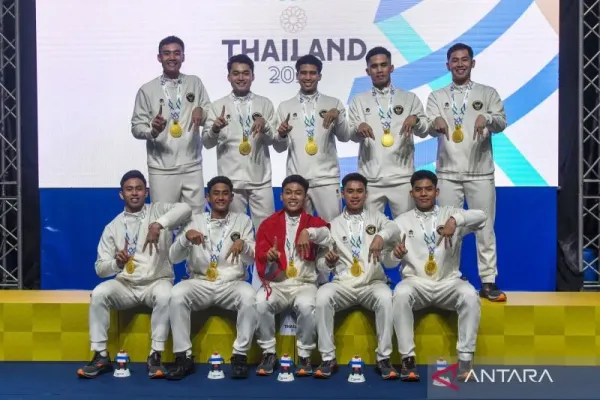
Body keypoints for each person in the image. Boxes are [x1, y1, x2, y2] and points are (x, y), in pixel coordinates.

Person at [77, 170, 192, 379]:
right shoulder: (112, 227)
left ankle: (155, 355)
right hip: (126, 285)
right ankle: (101, 355)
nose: (135, 193)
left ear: (146, 192)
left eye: (139, 189)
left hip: (157, 281)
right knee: (99, 293)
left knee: (166, 295)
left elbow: (185, 208)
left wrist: (158, 224)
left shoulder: (158, 210)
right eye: (129, 189)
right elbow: (100, 268)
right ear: (121, 194)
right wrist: (117, 264)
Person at [425, 42, 507, 302]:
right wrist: (435, 122)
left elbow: (501, 122)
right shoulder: (437, 96)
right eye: (455, 60)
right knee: (448, 228)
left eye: (464, 60)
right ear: (447, 65)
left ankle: (488, 281)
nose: (459, 64)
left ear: (472, 63)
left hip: (480, 173)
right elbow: (426, 126)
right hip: (447, 173)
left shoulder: (488, 93)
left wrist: (488, 118)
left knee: (485, 228)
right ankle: (448, 278)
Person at [389, 170, 484, 382]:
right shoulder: (401, 221)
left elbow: (482, 217)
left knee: (470, 295)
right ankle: (407, 360)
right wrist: (395, 256)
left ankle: (465, 361)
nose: (424, 194)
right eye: (418, 190)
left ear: (437, 192)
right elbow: (388, 261)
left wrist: (455, 219)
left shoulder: (451, 214)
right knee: (401, 293)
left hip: (448, 283)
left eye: (428, 189)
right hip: (416, 284)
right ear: (411, 193)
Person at [166, 176, 256, 380]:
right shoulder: (194, 220)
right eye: (216, 193)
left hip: (231, 283)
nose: (221, 197)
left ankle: (240, 356)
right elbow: (173, 257)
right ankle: (183, 357)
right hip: (200, 282)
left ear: (231, 197)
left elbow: (252, 260)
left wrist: (244, 245)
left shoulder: (243, 221)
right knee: (177, 294)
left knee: (250, 296)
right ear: (208, 197)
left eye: (225, 193)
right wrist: (185, 238)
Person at [314, 173, 401, 380]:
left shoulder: (377, 218)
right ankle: (328, 358)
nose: (355, 196)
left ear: (366, 194)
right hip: (343, 285)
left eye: (359, 191)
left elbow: (394, 228)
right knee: (323, 296)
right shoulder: (332, 225)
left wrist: (380, 236)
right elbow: (320, 263)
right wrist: (329, 262)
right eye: (350, 191)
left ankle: (384, 358)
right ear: (342, 194)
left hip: (372, 283)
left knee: (386, 297)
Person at [254, 175, 331, 377]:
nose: (293, 197)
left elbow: (327, 234)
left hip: (304, 283)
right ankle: (268, 353)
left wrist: (309, 232)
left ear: (305, 197)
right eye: (288, 193)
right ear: (281, 196)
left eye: (298, 193)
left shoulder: (313, 222)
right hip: (278, 284)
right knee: (261, 302)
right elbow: (260, 253)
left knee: (306, 306)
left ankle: (304, 355)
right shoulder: (269, 224)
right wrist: (269, 256)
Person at [131, 35, 211, 214]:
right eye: (167, 53)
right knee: (163, 222)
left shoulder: (194, 82)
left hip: (192, 166)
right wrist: (152, 131)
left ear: (183, 56)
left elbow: (209, 112)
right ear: (159, 57)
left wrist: (202, 111)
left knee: (196, 221)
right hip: (161, 169)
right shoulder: (147, 89)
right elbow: (136, 127)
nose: (172, 57)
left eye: (176, 53)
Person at [348, 46, 429, 218]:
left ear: (391, 68)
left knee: (405, 230)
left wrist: (416, 120)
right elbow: (350, 135)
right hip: (370, 180)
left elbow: (424, 130)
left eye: (383, 65)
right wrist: (357, 128)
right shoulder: (359, 101)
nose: (379, 70)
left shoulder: (409, 98)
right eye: (374, 66)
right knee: (371, 231)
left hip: (402, 179)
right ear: (368, 71)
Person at [272, 54, 351, 223]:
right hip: (298, 181)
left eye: (312, 73)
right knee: (299, 231)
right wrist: (281, 134)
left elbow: (345, 137)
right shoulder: (285, 106)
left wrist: (338, 116)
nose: (308, 77)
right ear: (297, 75)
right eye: (303, 73)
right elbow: (279, 148)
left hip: (327, 179)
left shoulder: (334, 104)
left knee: (332, 229)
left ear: (319, 76)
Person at [203, 54, 276, 229]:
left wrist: (265, 126)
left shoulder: (264, 103)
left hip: (260, 181)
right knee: (235, 233)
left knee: (267, 232)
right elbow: (206, 143)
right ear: (229, 77)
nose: (241, 78)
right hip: (231, 182)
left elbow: (275, 141)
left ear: (253, 76)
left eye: (245, 73)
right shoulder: (217, 106)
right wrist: (215, 129)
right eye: (236, 73)